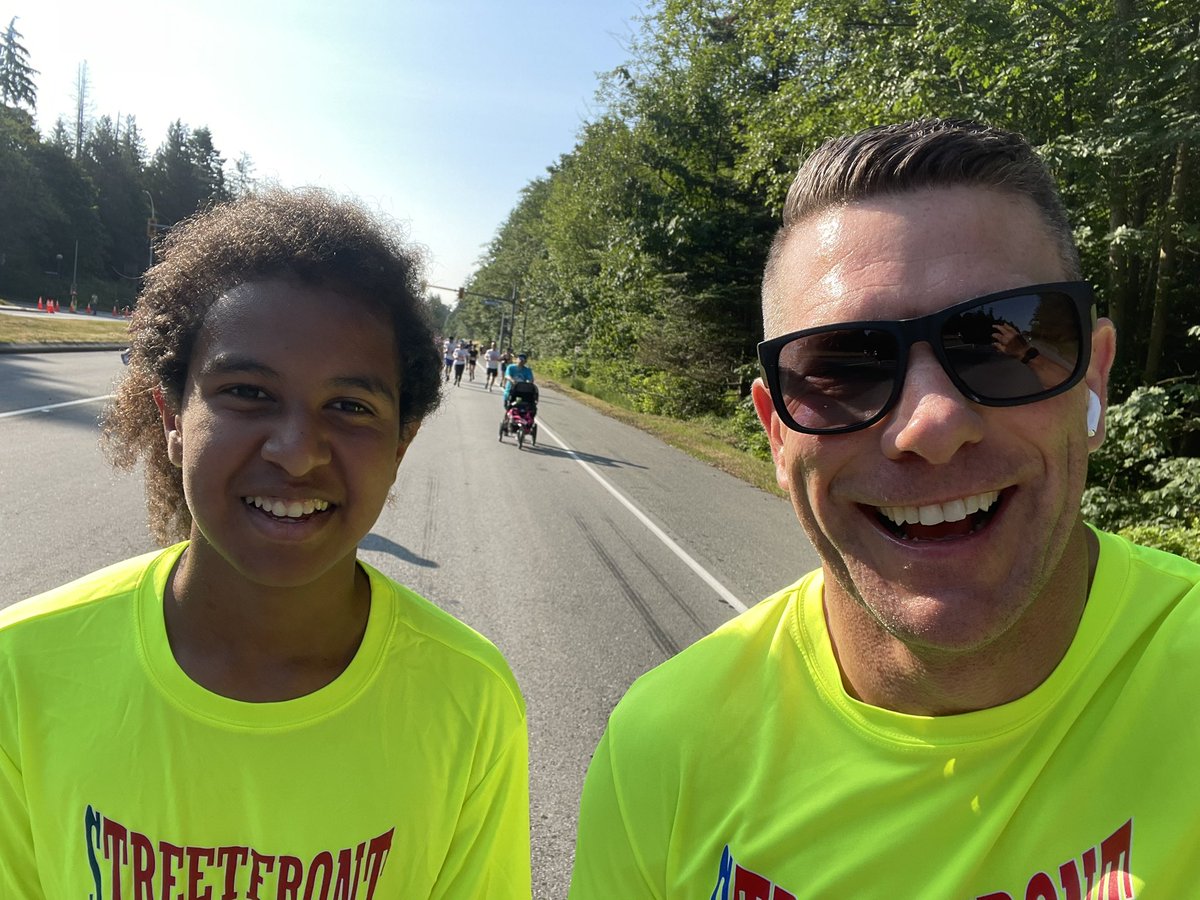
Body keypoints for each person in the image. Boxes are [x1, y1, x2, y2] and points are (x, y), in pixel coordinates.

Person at [569, 118, 1200, 898]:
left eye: (1000, 345)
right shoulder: (660, 746)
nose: (930, 426)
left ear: (1093, 379)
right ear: (775, 434)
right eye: (841, 368)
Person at [0, 188, 531, 899]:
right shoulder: (20, 672)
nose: (296, 451)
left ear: (402, 443)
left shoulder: (471, 699)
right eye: (248, 392)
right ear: (172, 416)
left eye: (349, 407)